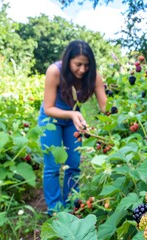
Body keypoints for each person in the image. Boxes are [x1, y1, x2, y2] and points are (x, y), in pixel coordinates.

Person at [38, 40, 107, 216]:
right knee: (52, 166)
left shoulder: (93, 76)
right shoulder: (55, 72)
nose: (82, 70)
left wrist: (117, 120)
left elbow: (106, 107)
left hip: (73, 121)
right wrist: (71, 114)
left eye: (86, 65)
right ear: (68, 61)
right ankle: (55, 209)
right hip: (51, 120)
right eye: (78, 64)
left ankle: (70, 206)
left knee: (74, 164)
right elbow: (48, 108)